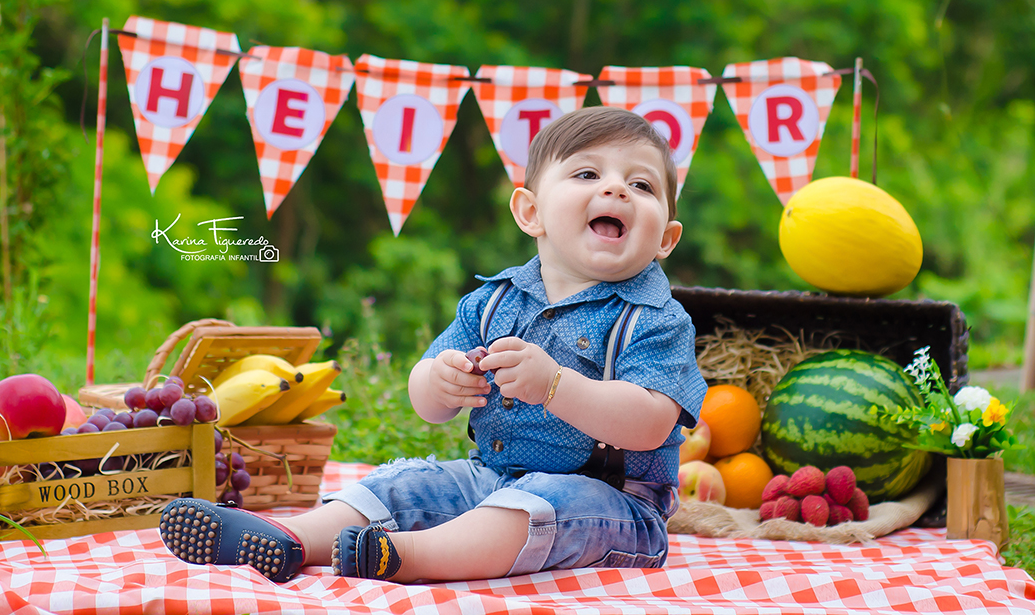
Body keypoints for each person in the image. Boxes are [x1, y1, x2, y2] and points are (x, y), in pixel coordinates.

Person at [159, 105, 706, 584]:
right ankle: (290, 539)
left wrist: (556, 385)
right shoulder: (493, 303)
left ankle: (408, 554)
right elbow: (426, 401)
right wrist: (441, 380)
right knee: (407, 484)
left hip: (611, 504)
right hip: (491, 478)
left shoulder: (657, 320)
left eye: (641, 185)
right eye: (588, 173)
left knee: (538, 507)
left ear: (665, 239)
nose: (615, 189)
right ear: (530, 213)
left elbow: (651, 422)